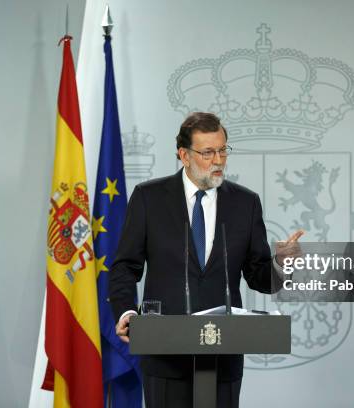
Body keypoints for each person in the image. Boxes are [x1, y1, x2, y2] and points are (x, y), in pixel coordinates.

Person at [109, 112, 302, 408]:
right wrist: (126, 313)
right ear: (184, 155)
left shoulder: (244, 203)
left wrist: (281, 263)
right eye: (208, 152)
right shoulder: (149, 198)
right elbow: (125, 267)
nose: (219, 160)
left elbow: (259, 276)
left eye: (223, 150)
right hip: (164, 359)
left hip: (223, 357)